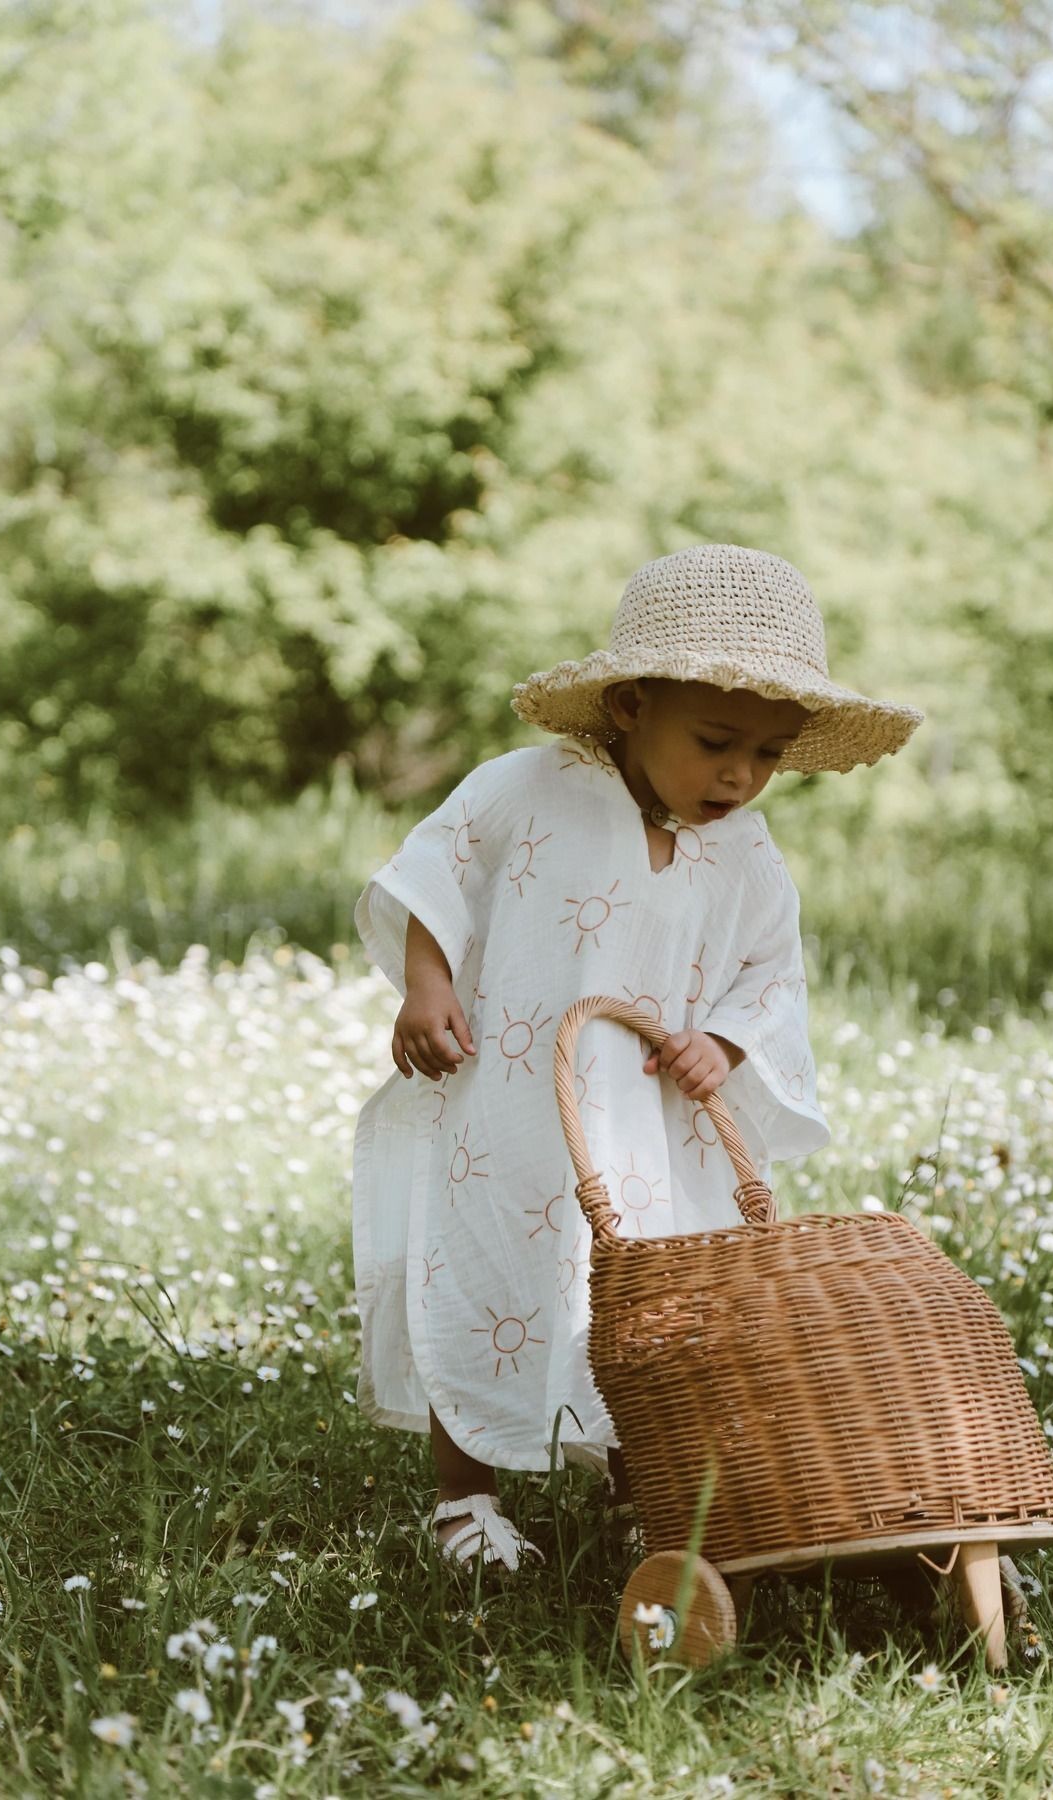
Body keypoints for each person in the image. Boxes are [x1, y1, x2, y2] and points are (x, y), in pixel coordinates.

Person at [351, 543, 923, 1571]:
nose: (740, 775)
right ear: (629, 706)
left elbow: (769, 970)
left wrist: (727, 1039)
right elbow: (436, 867)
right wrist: (425, 983)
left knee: (649, 1316)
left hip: (652, 1132)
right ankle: (462, 1501)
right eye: (714, 742)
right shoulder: (524, 792)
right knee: (481, 1274)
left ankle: (640, 1489)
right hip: (518, 1108)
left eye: (769, 754)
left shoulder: (746, 852)